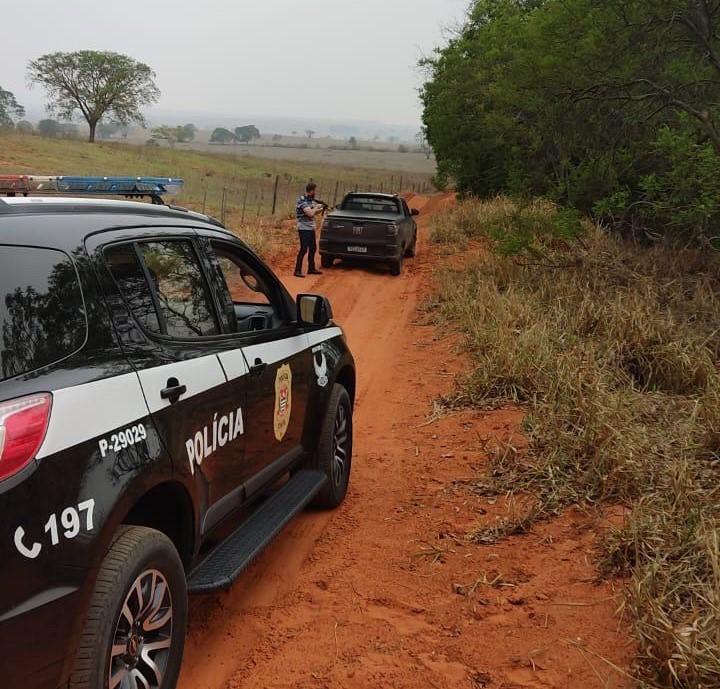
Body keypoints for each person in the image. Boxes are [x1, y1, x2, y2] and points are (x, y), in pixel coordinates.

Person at [294, 182, 325, 277]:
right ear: (311, 190)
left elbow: (313, 212)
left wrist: (322, 209)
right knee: (304, 249)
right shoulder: (302, 201)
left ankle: (311, 268)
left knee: (313, 248)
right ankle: (297, 270)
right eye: (315, 190)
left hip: (310, 228)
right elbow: (310, 213)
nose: (315, 192)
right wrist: (316, 207)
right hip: (304, 228)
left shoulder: (310, 200)